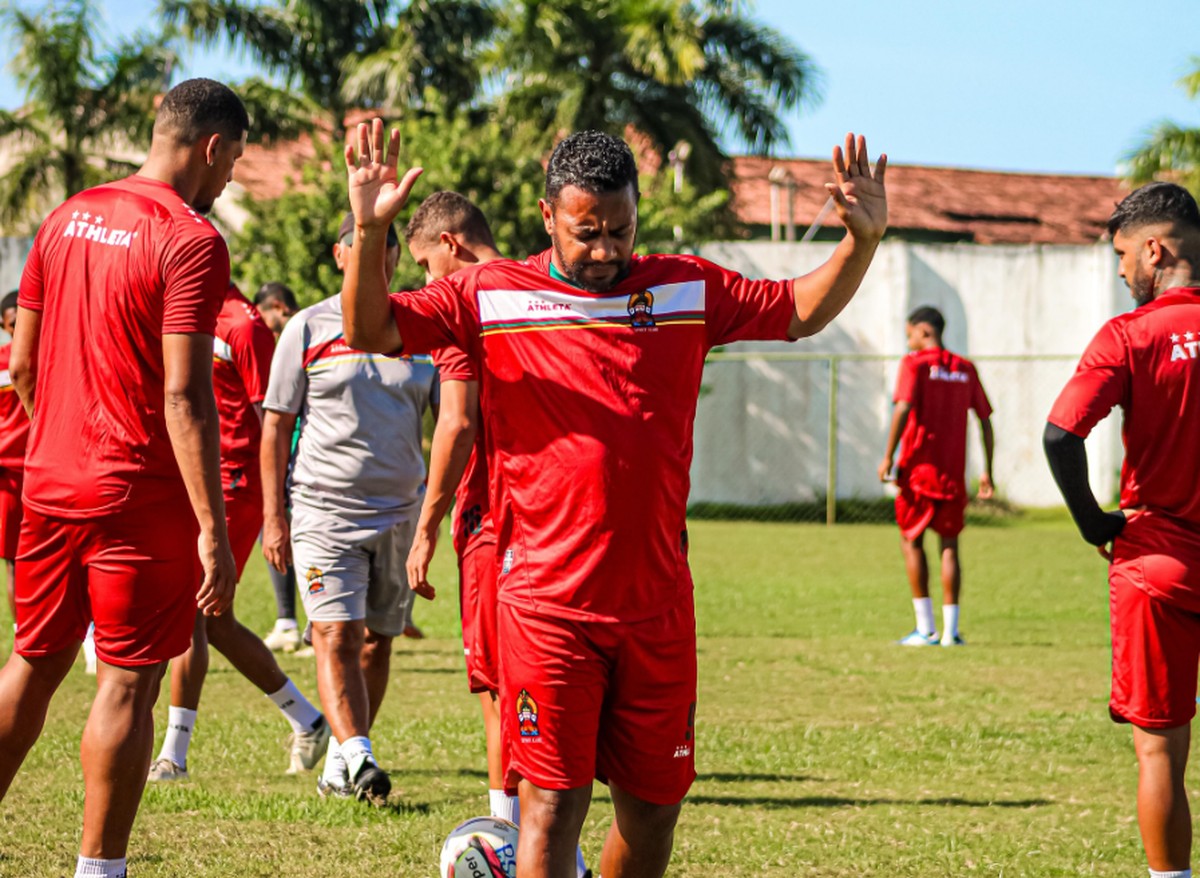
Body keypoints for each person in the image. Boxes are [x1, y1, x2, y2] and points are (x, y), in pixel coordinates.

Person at [342, 120, 886, 878]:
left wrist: (860, 243)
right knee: (551, 805)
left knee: (654, 806)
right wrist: (370, 232)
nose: (604, 250)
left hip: (657, 607)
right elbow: (370, 327)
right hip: (545, 607)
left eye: (619, 231)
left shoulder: (686, 287)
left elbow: (799, 310)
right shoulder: (489, 293)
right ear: (546, 219)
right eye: (586, 232)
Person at [0, 78, 244, 878]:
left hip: (48, 482)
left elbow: (25, 364)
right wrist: (213, 527)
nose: (233, 176)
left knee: (32, 661)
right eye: (235, 159)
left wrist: (61, 441)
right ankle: (98, 870)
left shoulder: (65, 214)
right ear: (211, 147)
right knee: (129, 683)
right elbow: (184, 392)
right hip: (138, 493)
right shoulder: (192, 238)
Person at [1045, 181, 1200, 878]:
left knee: (1161, 752)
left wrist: (1090, 522)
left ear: (1154, 249)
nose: (1119, 270)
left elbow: (1059, 435)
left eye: (1121, 255)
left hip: (1160, 561)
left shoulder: (1130, 335)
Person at [261, 212, 439, 805]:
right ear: (342, 255)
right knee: (335, 632)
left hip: (400, 515)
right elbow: (275, 426)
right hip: (323, 513)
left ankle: (342, 759)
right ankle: (362, 758)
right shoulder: (306, 328)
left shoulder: (419, 330)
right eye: (364, 246)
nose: (379, 258)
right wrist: (274, 516)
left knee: (376, 641)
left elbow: (452, 421)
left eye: (389, 248)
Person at [148, 282, 329, 782]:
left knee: (194, 611)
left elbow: (271, 422)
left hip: (235, 485)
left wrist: (278, 506)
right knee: (216, 622)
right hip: (196, 479)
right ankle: (307, 719)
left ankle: (174, 756)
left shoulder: (245, 327)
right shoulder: (188, 313)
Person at [401, 192, 529, 824]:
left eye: (426, 266)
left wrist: (426, 528)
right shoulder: (541, 279)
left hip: (494, 516)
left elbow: (455, 423)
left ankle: (508, 834)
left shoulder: (463, 300)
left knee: (501, 686)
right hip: (557, 511)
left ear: (451, 244)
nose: (428, 283)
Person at [877, 306, 994, 647]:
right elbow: (985, 419)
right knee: (949, 547)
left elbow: (903, 406)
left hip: (917, 473)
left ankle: (926, 629)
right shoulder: (965, 368)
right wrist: (988, 468)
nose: (908, 341)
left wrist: (888, 456)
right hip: (953, 475)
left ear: (923, 331)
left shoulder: (913, 364)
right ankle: (951, 632)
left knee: (911, 541)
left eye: (909, 334)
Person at [251, 281, 305, 653]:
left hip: (294, 449)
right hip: (281, 448)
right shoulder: (273, 340)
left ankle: (300, 621)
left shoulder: (292, 336)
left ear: (276, 306)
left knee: (295, 530)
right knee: (275, 529)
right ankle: (290, 620)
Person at [0, 292, 29, 624]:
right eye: (14, 322)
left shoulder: (53, 353)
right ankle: (25, 633)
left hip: (50, 468)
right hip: (9, 476)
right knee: (15, 561)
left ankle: (91, 636)